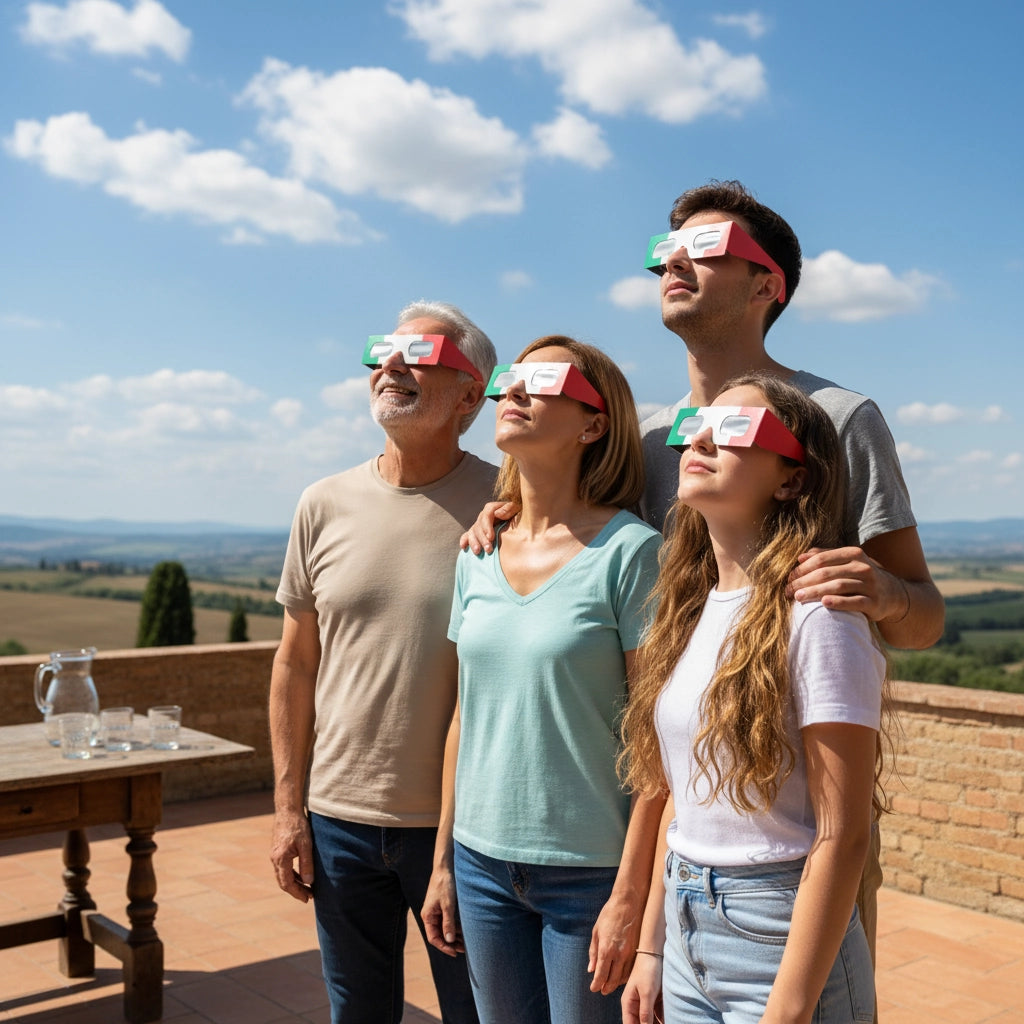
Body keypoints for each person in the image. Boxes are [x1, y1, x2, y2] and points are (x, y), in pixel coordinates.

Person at [462, 181, 944, 971]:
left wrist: (884, 592)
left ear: (767, 286)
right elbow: (581, 539)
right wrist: (503, 515)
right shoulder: (650, 439)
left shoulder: (840, 418)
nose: (676, 259)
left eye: (709, 248)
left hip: (794, 830)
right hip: (666, 816)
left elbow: (923, 618)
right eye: (666, 251)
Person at [620, 371, 888, 1024]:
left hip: (780, 933)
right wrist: (654, 948)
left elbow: (843, 835)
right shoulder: (688, 610)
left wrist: (788, 1012)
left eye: (734, 429)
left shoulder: (819, 616)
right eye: (693, 429)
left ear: (792, 477)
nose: (702, 439)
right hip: (687, 919)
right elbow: (683, 798)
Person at [422, 336, 664, 1023]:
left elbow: (656, 741)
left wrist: (630, 893)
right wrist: (443, 860)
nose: (514, 391)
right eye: (510, 379)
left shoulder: (632, 554)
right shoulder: (477, 551)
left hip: (589, 875)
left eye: (545, 381)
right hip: (479, 864)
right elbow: (466, 718)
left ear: (594, 424)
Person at [269, 300, 498, 1024]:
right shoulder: (322, 502)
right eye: (383, 351)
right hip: (336, 818)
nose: (391, 365)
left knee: (477, 1012)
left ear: (470, 397)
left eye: (419, 355)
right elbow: (294, 662)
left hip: (462, 827)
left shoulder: (510, 503)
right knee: (358, 1013)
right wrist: (287, 810)